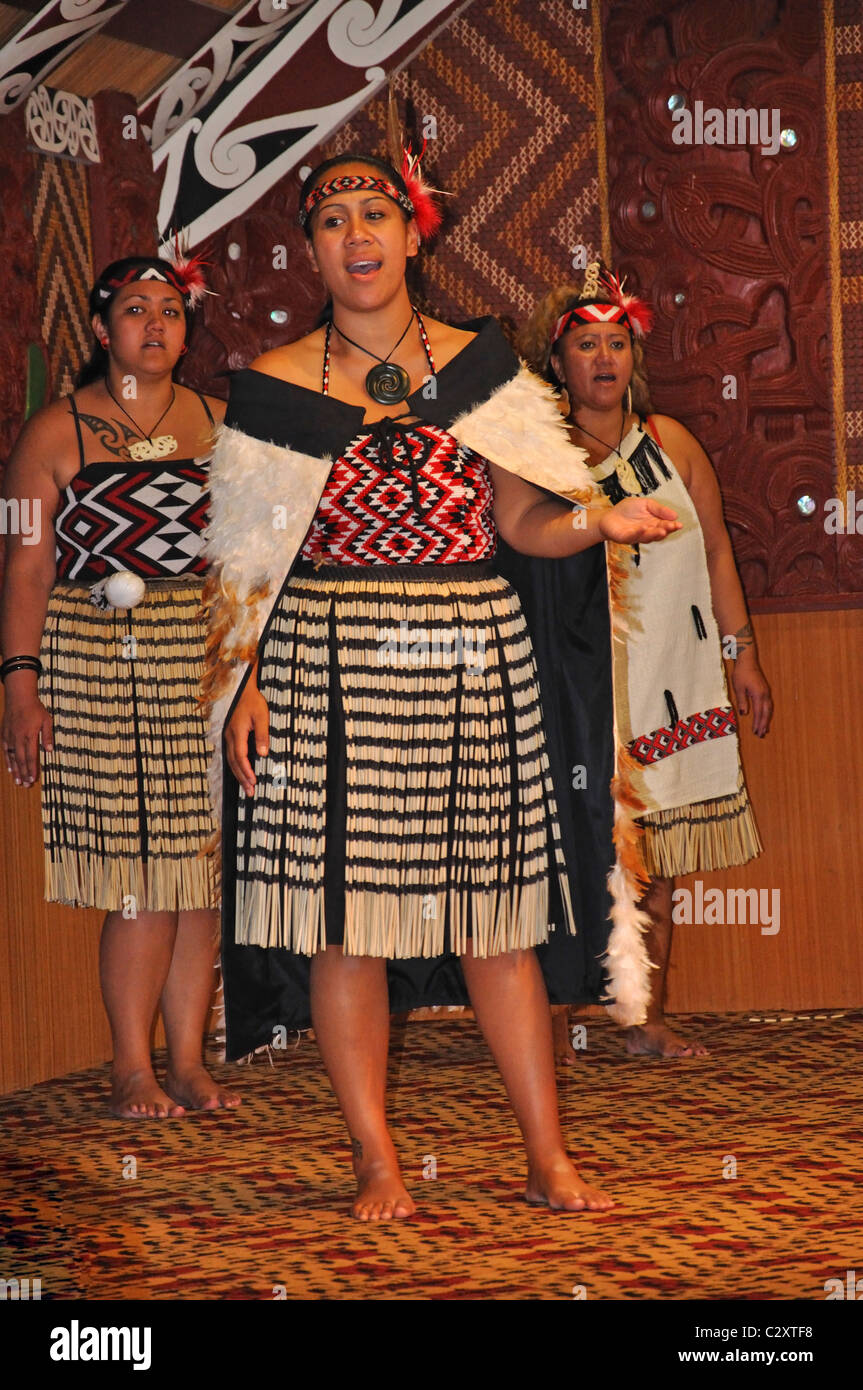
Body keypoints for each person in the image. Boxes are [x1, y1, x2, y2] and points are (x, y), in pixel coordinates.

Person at [202, 151, 679, 1219]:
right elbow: (244, 565)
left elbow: (519, 521)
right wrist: (245, 682)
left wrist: (592, 520)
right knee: (344, 922)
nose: (356, 234)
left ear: (414, 234)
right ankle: (373, 1156)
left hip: (472, 651)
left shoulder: (483, 366)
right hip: (328, 656)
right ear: (313, 248)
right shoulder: (275, 382)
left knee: (495, 919)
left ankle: (545, 1155)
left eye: (376, 213)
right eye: (332, 220)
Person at [1, 253, 240, 1118]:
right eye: (135, 311)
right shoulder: (53, 432)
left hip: (202, 656)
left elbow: (249, 558)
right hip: (99, 658)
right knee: (142, 870)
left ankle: (186, 1061)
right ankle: (129, 1066)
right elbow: (26, 566)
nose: (155, 325)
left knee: (200, 872)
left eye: (170, 310)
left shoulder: (220, 421)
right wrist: (20, 683)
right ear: (102, 330)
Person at [514, 263, 773, 1060]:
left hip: (670, 667)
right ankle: (551, 1018)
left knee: (653, 848)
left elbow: (719, 551)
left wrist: (741, 654)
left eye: (616, 343)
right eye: (585, 344)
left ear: (634, 357)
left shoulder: (671, 444)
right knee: (571, 843)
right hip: (573, 677)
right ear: (556, 362)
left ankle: (639, 1018)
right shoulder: (539, 452)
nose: (602, 359)